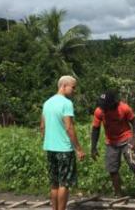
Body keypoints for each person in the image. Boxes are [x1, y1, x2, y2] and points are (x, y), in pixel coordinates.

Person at [90, 91, 135, 198]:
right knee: (112, 169)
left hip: (127, 139)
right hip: (111, 142)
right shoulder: (99, 111)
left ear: (112, 103)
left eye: (105, 106)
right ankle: (119, 194)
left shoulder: (124, 108)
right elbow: (95, 129)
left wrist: (134, 140)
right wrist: (93, 147)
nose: (103, 108)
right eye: (102, 106)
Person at [41, 75, 85, 210]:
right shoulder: (66, 103)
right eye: (73, 87)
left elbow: (42, 126)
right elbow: (69, 127)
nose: (74, 90)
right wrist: (78, 148)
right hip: (64, 150)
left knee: (54, 183)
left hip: (50, 148)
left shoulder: (47, 103)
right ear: (63, 86)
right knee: (64, 183)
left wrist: (47, 141)